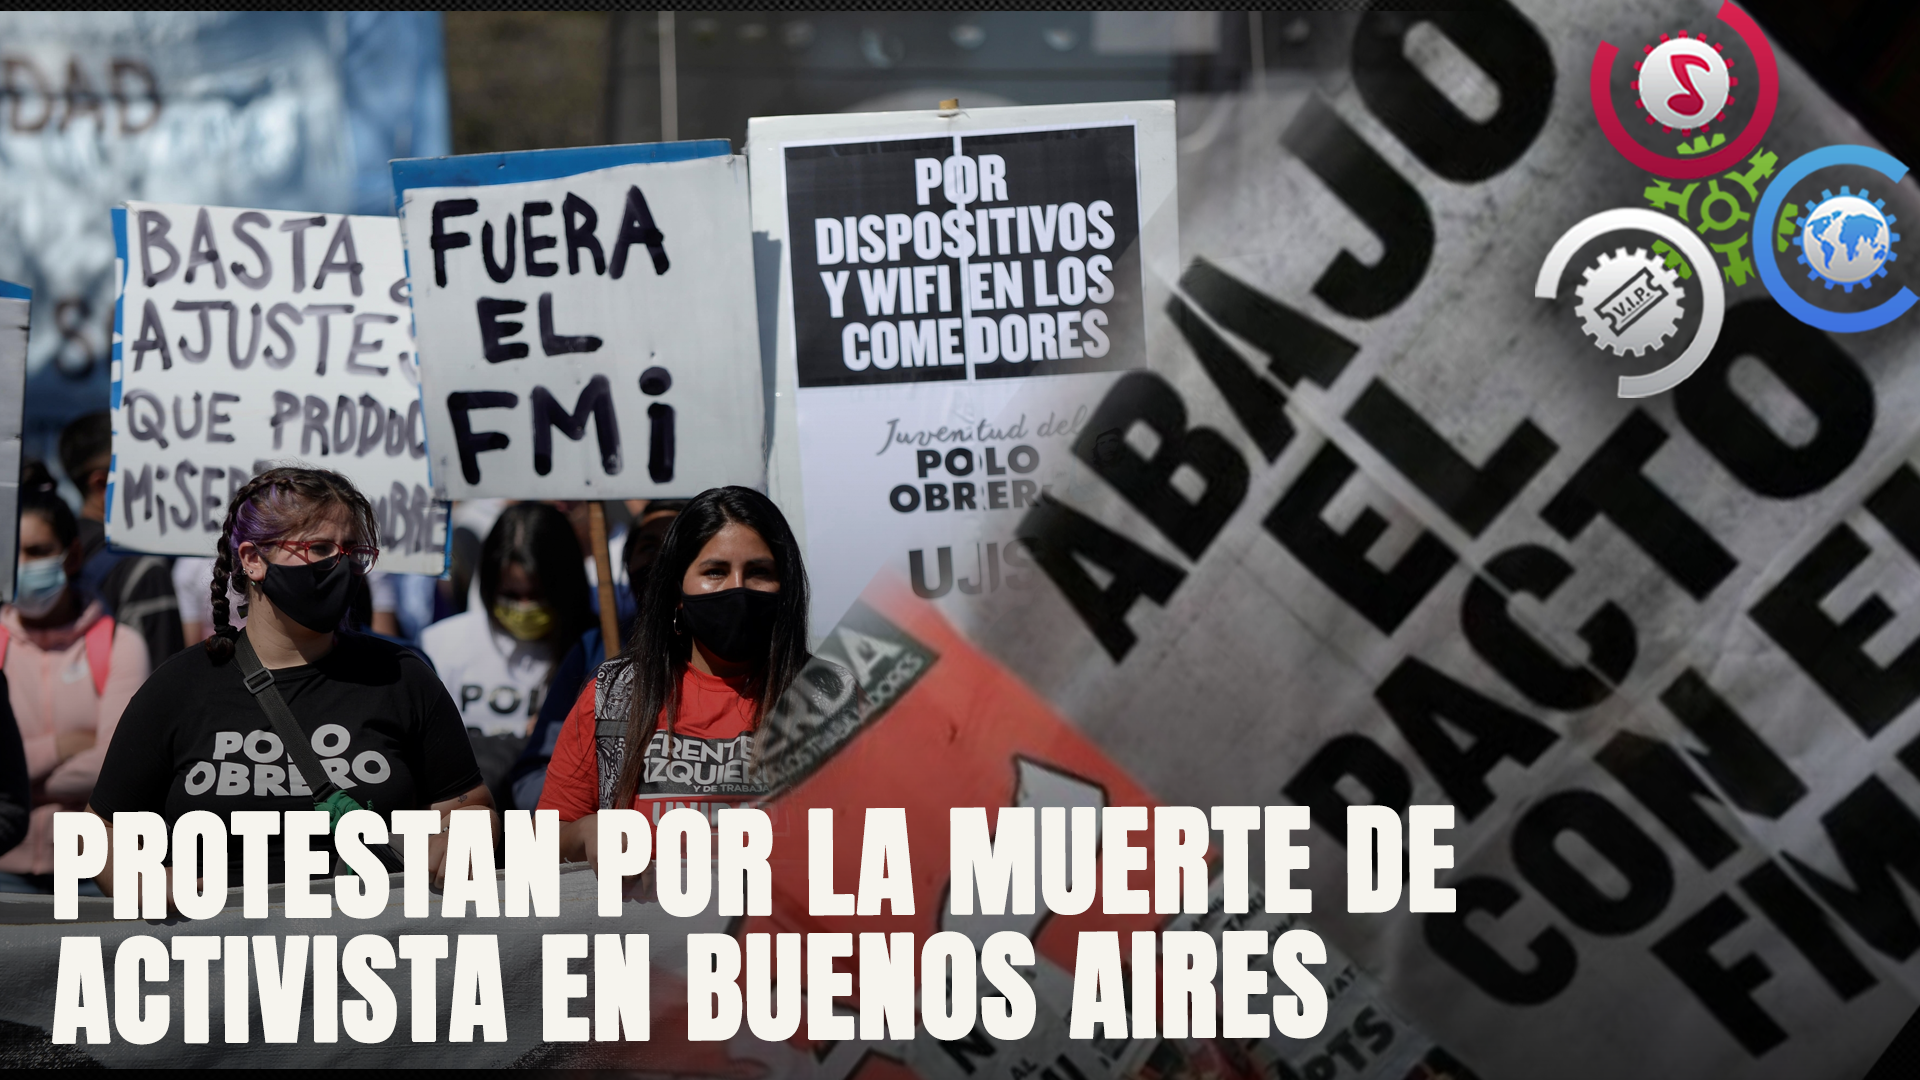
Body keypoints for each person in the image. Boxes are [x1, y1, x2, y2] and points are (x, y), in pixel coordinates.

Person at [89, 466, 491, 890]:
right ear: (252, 560)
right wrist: (149, 882)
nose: (340, 567)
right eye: (319, 549)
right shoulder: (180, 686)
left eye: (352, 553)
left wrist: (457, 844)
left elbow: (470, 806)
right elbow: (100, 835)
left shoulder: (401, 676)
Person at [539, 487, 858, 877]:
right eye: (714, 572)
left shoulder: (831, 697)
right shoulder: (614, 695)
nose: (736, 588)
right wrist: (586, 832)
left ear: (785, 587)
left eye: (758, 572)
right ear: (677, 591)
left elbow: (880, 834)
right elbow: (547, 839)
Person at [0, 487, 150, 892]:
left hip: (93, 871)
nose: (23, 564)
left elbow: (116, 768)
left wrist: (12, 782)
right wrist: (61, 747)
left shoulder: (121, 644)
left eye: (38, 550)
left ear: (73, 555)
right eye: (13, 551)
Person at [507, 499, 685, 811]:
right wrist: (586, 800)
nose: (662, 560)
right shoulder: (593, 648)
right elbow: (532, 779)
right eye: (648, 546)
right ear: (627, 564)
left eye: (677, 546)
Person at [419, 502, 592, 811]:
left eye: (537, 595)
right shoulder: (440, 645)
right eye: (511, 595)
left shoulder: (594, 650)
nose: (524, 607)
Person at [58, 411, 184, 664]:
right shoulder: (144, 571)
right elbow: (166, 691)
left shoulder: (47, 554)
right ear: (102, 484)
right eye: (149, 471)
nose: (162, 482)